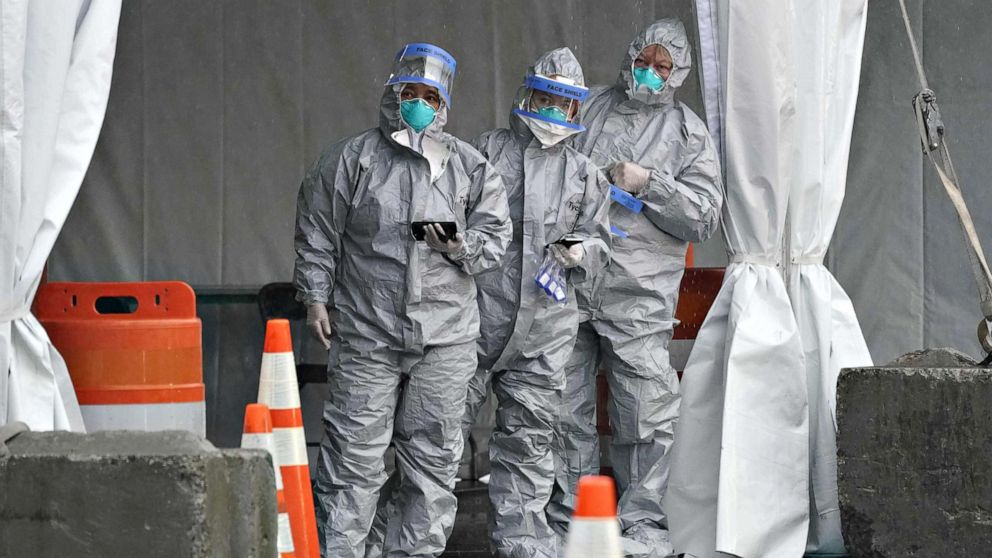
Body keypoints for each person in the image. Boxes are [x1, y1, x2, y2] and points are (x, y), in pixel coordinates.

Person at [294, 42, 511, 558]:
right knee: (353, 460)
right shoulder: (352, 160)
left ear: (444, 104)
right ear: (391, 93)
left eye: (429, 96)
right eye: (407, 92)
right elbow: (318, 232)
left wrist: (462, 243)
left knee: (432, 462)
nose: (417, 103)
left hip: (446, 337)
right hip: (368, 332)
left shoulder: (469, 167)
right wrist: (316, 297)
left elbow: (496, 239)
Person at [548, 19, 724, 558]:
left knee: (644, 411)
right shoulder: (592, 104)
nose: (649, 72)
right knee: (563, 405)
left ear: (680, 73)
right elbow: (549, 165)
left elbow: (705, 217)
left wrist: (650, 183)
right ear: (630, 56)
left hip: (638, 291)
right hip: (573, 279)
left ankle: (642, 524)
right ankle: (570, 521)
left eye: (663, 66)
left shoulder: (688, 132)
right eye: (644, 60)